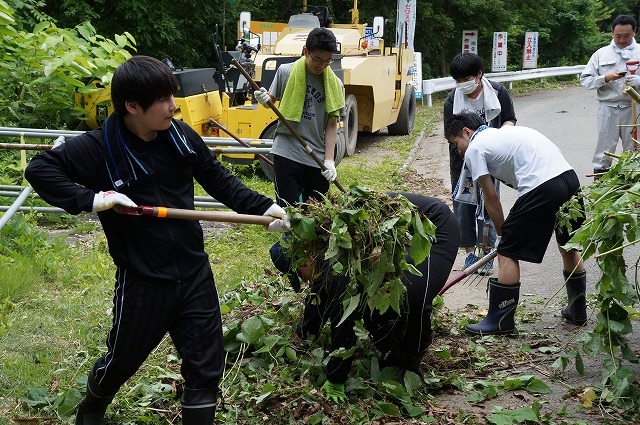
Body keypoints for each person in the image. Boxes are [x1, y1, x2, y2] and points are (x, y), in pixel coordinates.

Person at [24, 55, 290, 425]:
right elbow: (39, 169)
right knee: (121, 362)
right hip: (144, 279)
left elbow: (218, 179)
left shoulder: (180, 137)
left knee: (206, 364)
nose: (174, 105)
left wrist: (266, 208)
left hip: (194, 272)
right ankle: (91, 409)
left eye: (172, 96)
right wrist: (93, 199)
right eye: (164, 100)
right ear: (133, 106)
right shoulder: (99, 147)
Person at [271, 193, 460, 399]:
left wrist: (335, 378)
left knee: (411, 293)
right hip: (398, 235)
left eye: (301, 275)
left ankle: (411, 360)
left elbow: (344, 319)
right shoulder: (324, 251)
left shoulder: (332, 257)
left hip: (433, 225)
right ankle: (391, 346)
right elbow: (320, 293)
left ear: (306, 258)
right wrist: (306, 333)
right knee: (372, 295)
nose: (306, 282)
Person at [445, 113, 587, 336]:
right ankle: (578, 310)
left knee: (507, 252)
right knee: (568, 245)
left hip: (542, 186)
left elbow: (491, 198)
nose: (458, 150)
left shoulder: (475, 148)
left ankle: (500, 320)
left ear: (466, 132)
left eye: (456, 143)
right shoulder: (507, 133)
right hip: (570, 179)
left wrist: (503, 237)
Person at [253, 27, 345, 207]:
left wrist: (329, 160)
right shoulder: (285, 72)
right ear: (305, 51)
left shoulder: (335, 85)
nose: (321, 66)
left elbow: (332, 124)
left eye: (327, 61)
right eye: (317, 59)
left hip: (316, 155)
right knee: (288, 208)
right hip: (287, 149)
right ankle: (287, 236)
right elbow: (271, 100)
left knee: (316, 209)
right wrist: (264, 99)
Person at [444, 53, 517, 276]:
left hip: (492, 160)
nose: (462, 85)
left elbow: (509, 118)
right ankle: (469, 254)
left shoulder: (498, 92)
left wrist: (502, 135)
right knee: (463, 207)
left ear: (479, 74)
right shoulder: (451, 101)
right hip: (462, 162)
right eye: (458, 81)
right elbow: (451, 134)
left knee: (489, 202)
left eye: (466, 78)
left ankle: (486, 253)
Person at [580, 14, 640, 175]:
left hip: (634, 109)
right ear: (612, 33)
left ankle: (632, 188)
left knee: (635, 149)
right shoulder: (601, 54)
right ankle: (600, 186)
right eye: (618, 35)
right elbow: (585, 80)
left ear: (634, 32)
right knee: (604, 150)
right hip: (608, 108)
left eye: (626, 36)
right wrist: (605, 78)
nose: (622, 40)